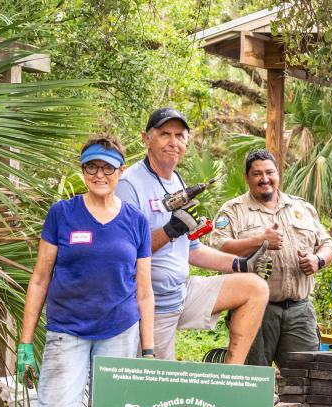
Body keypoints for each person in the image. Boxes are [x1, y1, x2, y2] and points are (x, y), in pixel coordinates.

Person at [16, 135, 155, 407]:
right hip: (68, 330)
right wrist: (25, 342)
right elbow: (40, 279)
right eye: (91, 167)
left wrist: (148, 350)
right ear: (82, 170)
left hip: (119, 330)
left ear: (120, 171)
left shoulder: (136, 221)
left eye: (107, 168)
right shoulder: (62, 214)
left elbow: (144, 291)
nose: (99, 175)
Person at [115, 108, 270, 364]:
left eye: (179, 135)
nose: (173, 142)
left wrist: (241, 264)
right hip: (149, 303)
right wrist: (169, 231)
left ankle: (230, 377)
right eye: (165, 134)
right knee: (157, 390)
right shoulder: (129, 185)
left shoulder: (177, 181)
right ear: (147, 139)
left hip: (180, 292)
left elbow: (193, 249)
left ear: (187, 141)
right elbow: (124, 253)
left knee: (254, 287)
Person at [213, 149, 332, 366]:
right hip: (253, 309)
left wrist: (318, 260)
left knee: (304, 378)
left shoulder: (302, 207)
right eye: (257, 174)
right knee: (253, 379)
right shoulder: (233, 210)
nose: (265, 179)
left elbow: (327, 244)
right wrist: (259, 240)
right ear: (247, 178)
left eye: (270, 172)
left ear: (278, 174)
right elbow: (219, 248)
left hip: (299, 309)